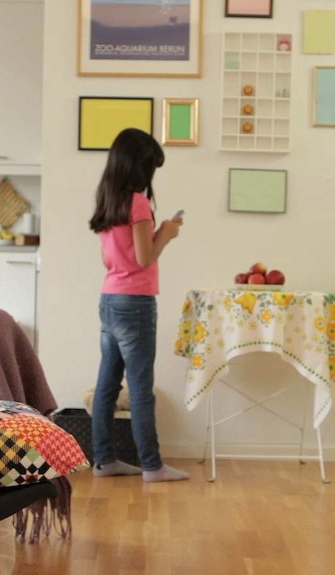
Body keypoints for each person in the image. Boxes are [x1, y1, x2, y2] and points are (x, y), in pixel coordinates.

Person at [87, 128, 189, 483]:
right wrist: (166, 234)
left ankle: (103, 460)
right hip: (136, 303)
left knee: (107, 385)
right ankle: (152, 465)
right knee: (141, 387)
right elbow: (145, 259)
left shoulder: (107, 201)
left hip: (110, 298)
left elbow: (109, 260)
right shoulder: (138, 202)